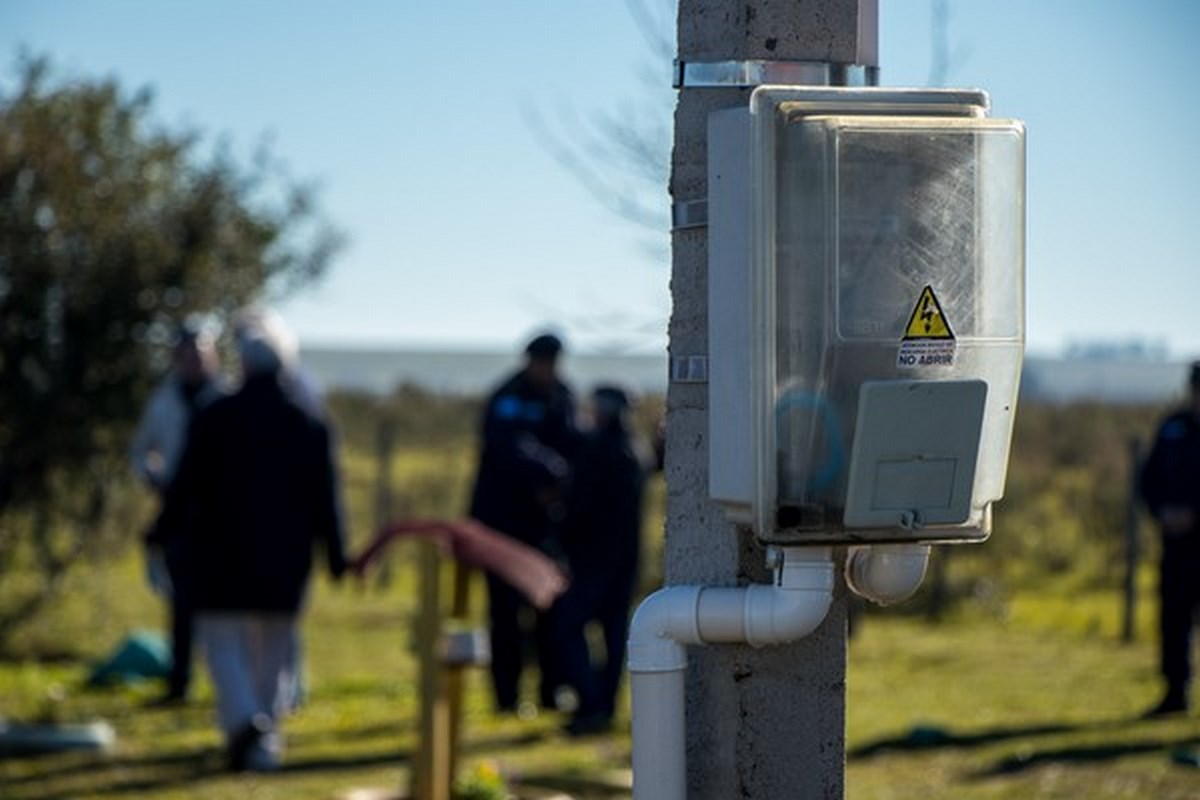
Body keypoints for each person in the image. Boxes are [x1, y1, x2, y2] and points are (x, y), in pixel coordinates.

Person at [156, 308, 347, 770]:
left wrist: (161, 530)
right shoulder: (309, 423)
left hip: (222, 559)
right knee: (274, 653)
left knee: (223, 644)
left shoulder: (215, 416)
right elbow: (327, 499)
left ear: (242, 365)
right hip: (285, 562)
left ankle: (245, 725)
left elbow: (184, 484)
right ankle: (263, 738)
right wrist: (336, 555)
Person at [469, 332, 579, 714]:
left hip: (544, 526)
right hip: (502, 523)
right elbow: (508, 447)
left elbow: (572, 443)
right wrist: (549, 474)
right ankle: (507, 696)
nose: (547, 371)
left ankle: (552, 691)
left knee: (550, 607)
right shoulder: (508, 397)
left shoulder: (562, 396)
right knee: (505, 614)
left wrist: (562, 484)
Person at [129, 322, 225, 704]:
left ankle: (225, 685)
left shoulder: (226, 398)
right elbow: (140, 451)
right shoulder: (163, 401)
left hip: (221, 514)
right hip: (178, 511)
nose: (193, 363)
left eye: (199, 355)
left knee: (221, 606)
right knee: (181, 602)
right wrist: (153, 477)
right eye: (186, 356)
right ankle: (179, 682)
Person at [554, 385, 650, 735]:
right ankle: (605, 706)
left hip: (592, 558)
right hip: (625, 559)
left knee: (568, 627)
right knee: (613, 634)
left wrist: (560, 541)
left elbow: (578, 507)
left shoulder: (596, 451)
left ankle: (591, 702)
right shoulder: (635, 451)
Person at [1139, 360, 1200, 717]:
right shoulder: (1171, 428)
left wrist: (1194, 514)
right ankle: (1175, 694)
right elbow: (1148, 480)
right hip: (1175, 546)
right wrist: (1162, 511)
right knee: (1173, 621)